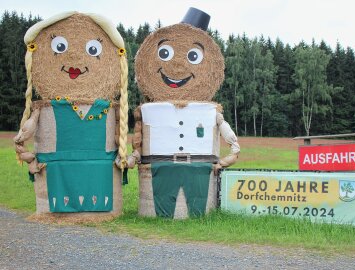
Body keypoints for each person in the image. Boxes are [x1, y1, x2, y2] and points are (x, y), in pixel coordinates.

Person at [14, 12, 130, 221]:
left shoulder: (109, 108)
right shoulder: (45, 107)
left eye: (92, 50)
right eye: (59, 47)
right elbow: (30, 126)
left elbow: (119, 131)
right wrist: (21, 139)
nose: (76, 58)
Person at [133, 7, 240, 218]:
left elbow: (223, 127)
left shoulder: (209, 111)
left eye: (193, 56)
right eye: (165, 53)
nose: (178, 66)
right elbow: (138, 138)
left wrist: (233, 150)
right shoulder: (149, 110)